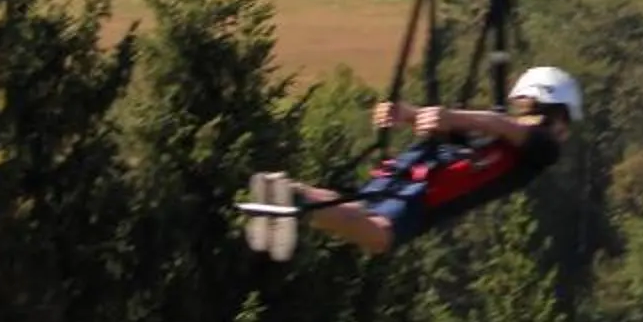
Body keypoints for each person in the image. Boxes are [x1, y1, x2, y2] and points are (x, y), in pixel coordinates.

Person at [246, 66, 581, 258]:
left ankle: (290, 191)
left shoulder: (499, 135)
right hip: (427, 193)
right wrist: (417, 115)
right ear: (560, 115)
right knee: (378, 235)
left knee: (361, 211)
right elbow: (497, 125)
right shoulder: (541, 147)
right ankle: (298, 200)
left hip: (413, 173)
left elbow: (468, 127)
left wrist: (411, 115)